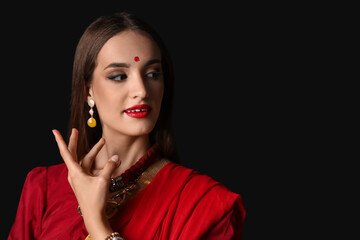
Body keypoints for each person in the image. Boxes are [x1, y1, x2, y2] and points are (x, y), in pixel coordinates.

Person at [8, 11, 246, 240]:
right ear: (87, 91)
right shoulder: (44, 188)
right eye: (119, 76)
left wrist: (97, 224)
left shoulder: (205, 203)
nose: (142, 91)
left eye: (153, 74)